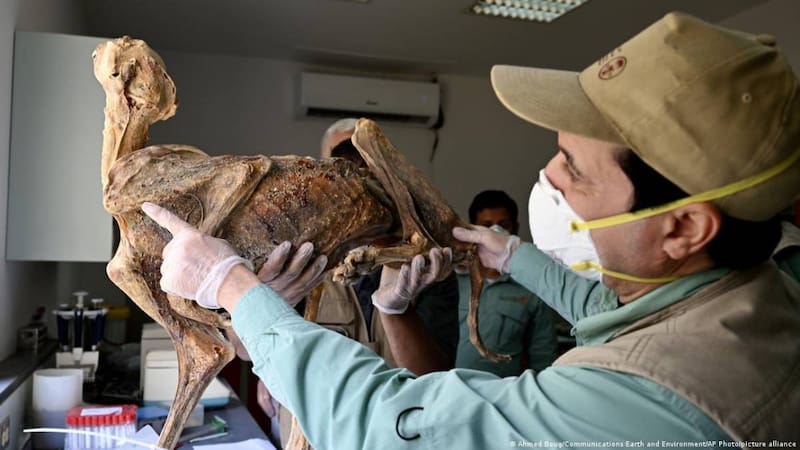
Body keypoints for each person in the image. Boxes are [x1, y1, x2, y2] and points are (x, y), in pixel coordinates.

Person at [143, 12, 800, 448]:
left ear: (684, 226)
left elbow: (384, 428)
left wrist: (230, 285)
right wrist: (512, 254)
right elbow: (615, 311)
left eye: (574, 167)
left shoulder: (644, 403)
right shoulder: (755, 300)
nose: (549, 174)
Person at [239, 118, 460, 446]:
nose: (355, 191)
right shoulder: (298, 255)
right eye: (340, 173)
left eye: (367, 175)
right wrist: (266, 346)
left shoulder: (426, 264)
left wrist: (395, 309)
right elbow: (243, 346)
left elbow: (433, 380)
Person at [455, 190, 557, 376]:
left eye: (503, 225)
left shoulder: (532, 288)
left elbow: (543, 358)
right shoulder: (450, 283)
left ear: (515, 228)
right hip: (449, 391)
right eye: (486, 225)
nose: (494, 231)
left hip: (502, 395)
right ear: (472, 230)